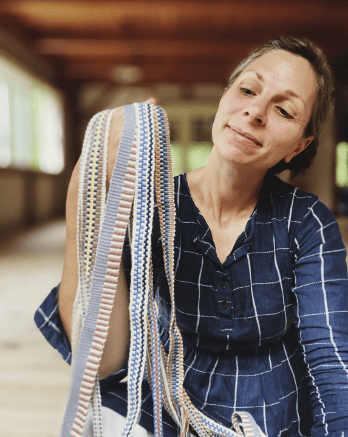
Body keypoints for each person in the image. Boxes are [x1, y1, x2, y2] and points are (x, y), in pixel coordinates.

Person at [35, 37, 348, 436]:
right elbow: (102, 360)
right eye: (248, 90)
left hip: (274, 415)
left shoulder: (307, 221)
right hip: (169, 406)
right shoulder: (151, 209)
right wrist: (90, 185)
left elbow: (330, 359)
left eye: (284, 110)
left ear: (298, 146)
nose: (254, 111)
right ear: (224, 97)